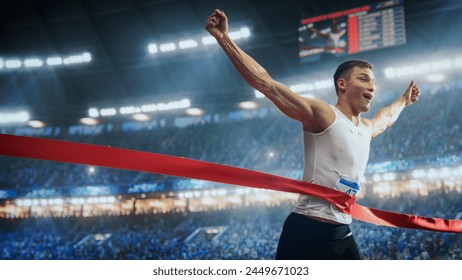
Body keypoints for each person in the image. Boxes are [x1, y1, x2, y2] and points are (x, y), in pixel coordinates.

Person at [205, 9, 420, 260]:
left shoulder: (365, 129)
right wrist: (224, 39)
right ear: (342, 84)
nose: (372, 86)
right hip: (306, 230)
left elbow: (385, 119)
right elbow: (268, 85)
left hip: (341, 231)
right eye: (363, 79)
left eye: (373, 81)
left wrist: (404, 101)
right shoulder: (323, 114)